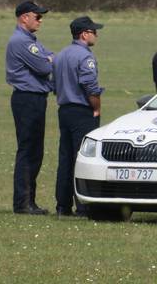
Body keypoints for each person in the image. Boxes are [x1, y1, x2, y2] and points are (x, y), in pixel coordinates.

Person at [5, 0, 54, 215]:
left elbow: (53, 57)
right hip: (27, 99)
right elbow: (45, 65)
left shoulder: (31, 41)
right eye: (37, 16)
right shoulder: (21, 42)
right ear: (24, 17)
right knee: (28, 150)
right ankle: (22, 203)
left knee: (36, 151)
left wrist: (49, 58)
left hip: (35, 98)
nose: (40, 21)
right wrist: (48, 59)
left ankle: (30, 201)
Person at [53, 16, 104, 217]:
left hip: (64, 110)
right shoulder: (85, 57)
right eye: (94, 32)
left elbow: (54, 84)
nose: (96, 35)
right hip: (82, 111)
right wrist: (97, 108)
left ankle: (62, 205)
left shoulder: (60, 55)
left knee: (65, 158)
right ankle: (83, 206)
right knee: (82, 158)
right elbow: (90, 87)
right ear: (84, 34)